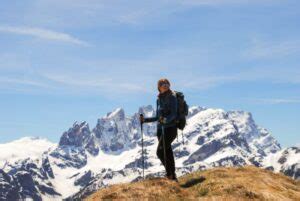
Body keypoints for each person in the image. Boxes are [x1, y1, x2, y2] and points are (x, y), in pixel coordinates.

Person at [140, 78, 178, 182]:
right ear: (159, 88)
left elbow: (174, 114)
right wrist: (145, 120)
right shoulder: (158, 99)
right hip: (160, 130)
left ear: (169, 85)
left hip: (170, 128)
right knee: (167, 152)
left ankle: (170, 174)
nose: (165, 85)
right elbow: (158, 117)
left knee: (160, 152)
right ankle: (172, 176)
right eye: (162, 84)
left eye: (166, 83)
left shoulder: (172, 97)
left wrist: (165, 120)